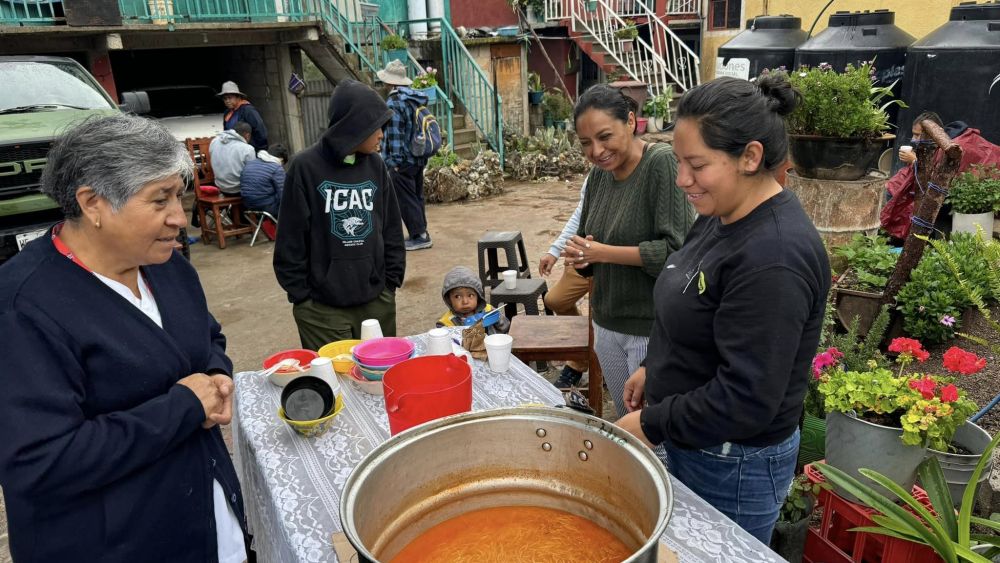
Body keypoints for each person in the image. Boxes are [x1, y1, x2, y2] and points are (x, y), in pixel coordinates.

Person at [0, 114, 249, 562]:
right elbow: (39, 462)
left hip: (201, 511)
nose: (179, 217)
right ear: (93, 203)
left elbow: (207, 337)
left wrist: (215, 374)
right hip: (117, 543)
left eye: (179, 195)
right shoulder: (23, 308)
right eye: (160, 200)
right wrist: (184, 407)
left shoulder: (166, 265)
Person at [614, 75, 831, 544]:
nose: (681, 180)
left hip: (734, 463)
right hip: (699, 439)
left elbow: (748, 398)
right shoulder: (723, 216)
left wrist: (653, 424)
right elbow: (689, 295)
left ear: (750, 157)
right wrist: (656, 365)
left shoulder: (774, 258)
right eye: (678, 162)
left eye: (697, 165)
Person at [565, 84, 694, 417]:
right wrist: (581, 258)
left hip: (648, 330)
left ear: (632, 122)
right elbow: (589, 245)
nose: (596, 150)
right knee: (626, 417)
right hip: (606, 323)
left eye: (605, 136)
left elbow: (676, 253)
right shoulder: (598, 177)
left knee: (652, 431)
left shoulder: (661, 164)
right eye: (585, 143)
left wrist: (601, 252)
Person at [274, 79, 406, 349]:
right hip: (322, 310)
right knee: (335, 383)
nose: (381, 134)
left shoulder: (376, 166)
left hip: (376, 301)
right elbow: (290, 238)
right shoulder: (305, 167)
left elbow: (391, 227)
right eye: (376, 126)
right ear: (355, 126)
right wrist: (302, 297)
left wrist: (390, 283)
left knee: (377, 380)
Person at [880, 111, 1000, 239]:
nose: (914, 140)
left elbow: (941, 179)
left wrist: (915, 160)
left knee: (909, 197)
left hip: (956, 196)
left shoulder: (955, 146)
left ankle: (925, 238)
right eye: (913, 134)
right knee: (894, 186)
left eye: (918, 135)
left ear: (935, 132)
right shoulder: (937, 142)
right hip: (947, 192)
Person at [539, 179, 591, 388]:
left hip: (615, 263)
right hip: (582, 255)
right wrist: (554, 251)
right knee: (556, 300)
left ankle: (578, 364)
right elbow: (579, 214)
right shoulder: (595, 177)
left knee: (602, 319)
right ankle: (584, 354)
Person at [379, 59, 433, 251]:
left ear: (390, 82)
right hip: (418, 156)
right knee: (416, 195)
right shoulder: (414, 98)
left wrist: (394, 162)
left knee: (406, 198)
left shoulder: (394, 102)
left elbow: (394, 136)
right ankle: (422, 232)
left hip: (402, 160)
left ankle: (419, 237)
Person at [436, 266, 510, 334]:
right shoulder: (446, 323)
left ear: (478, 296)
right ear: (449, 299)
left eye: (470, 295)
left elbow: (506, 327)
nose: (465, 302)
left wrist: (497, 319)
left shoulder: (489, 311)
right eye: (457, 296)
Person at [241, 143, 289, 217]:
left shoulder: (250, 163)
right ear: (281, 159)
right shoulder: (276, 168)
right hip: (266, 207)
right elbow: (283, 194)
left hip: (248, 204)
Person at [219, 80, 268, 151]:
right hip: (234, 151)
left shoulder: (248, 110)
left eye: (230, 98)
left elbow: (260, 131)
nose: (227, 101)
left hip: (249, 151)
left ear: (238, 97)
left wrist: (261, 151)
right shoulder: (227, 113)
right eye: (225, 99)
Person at [210, 121, 256, 196]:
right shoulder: (248, 149)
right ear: (247, 135)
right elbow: (252, 174)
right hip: (238, 189)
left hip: (220, 187)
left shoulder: (214, 142)